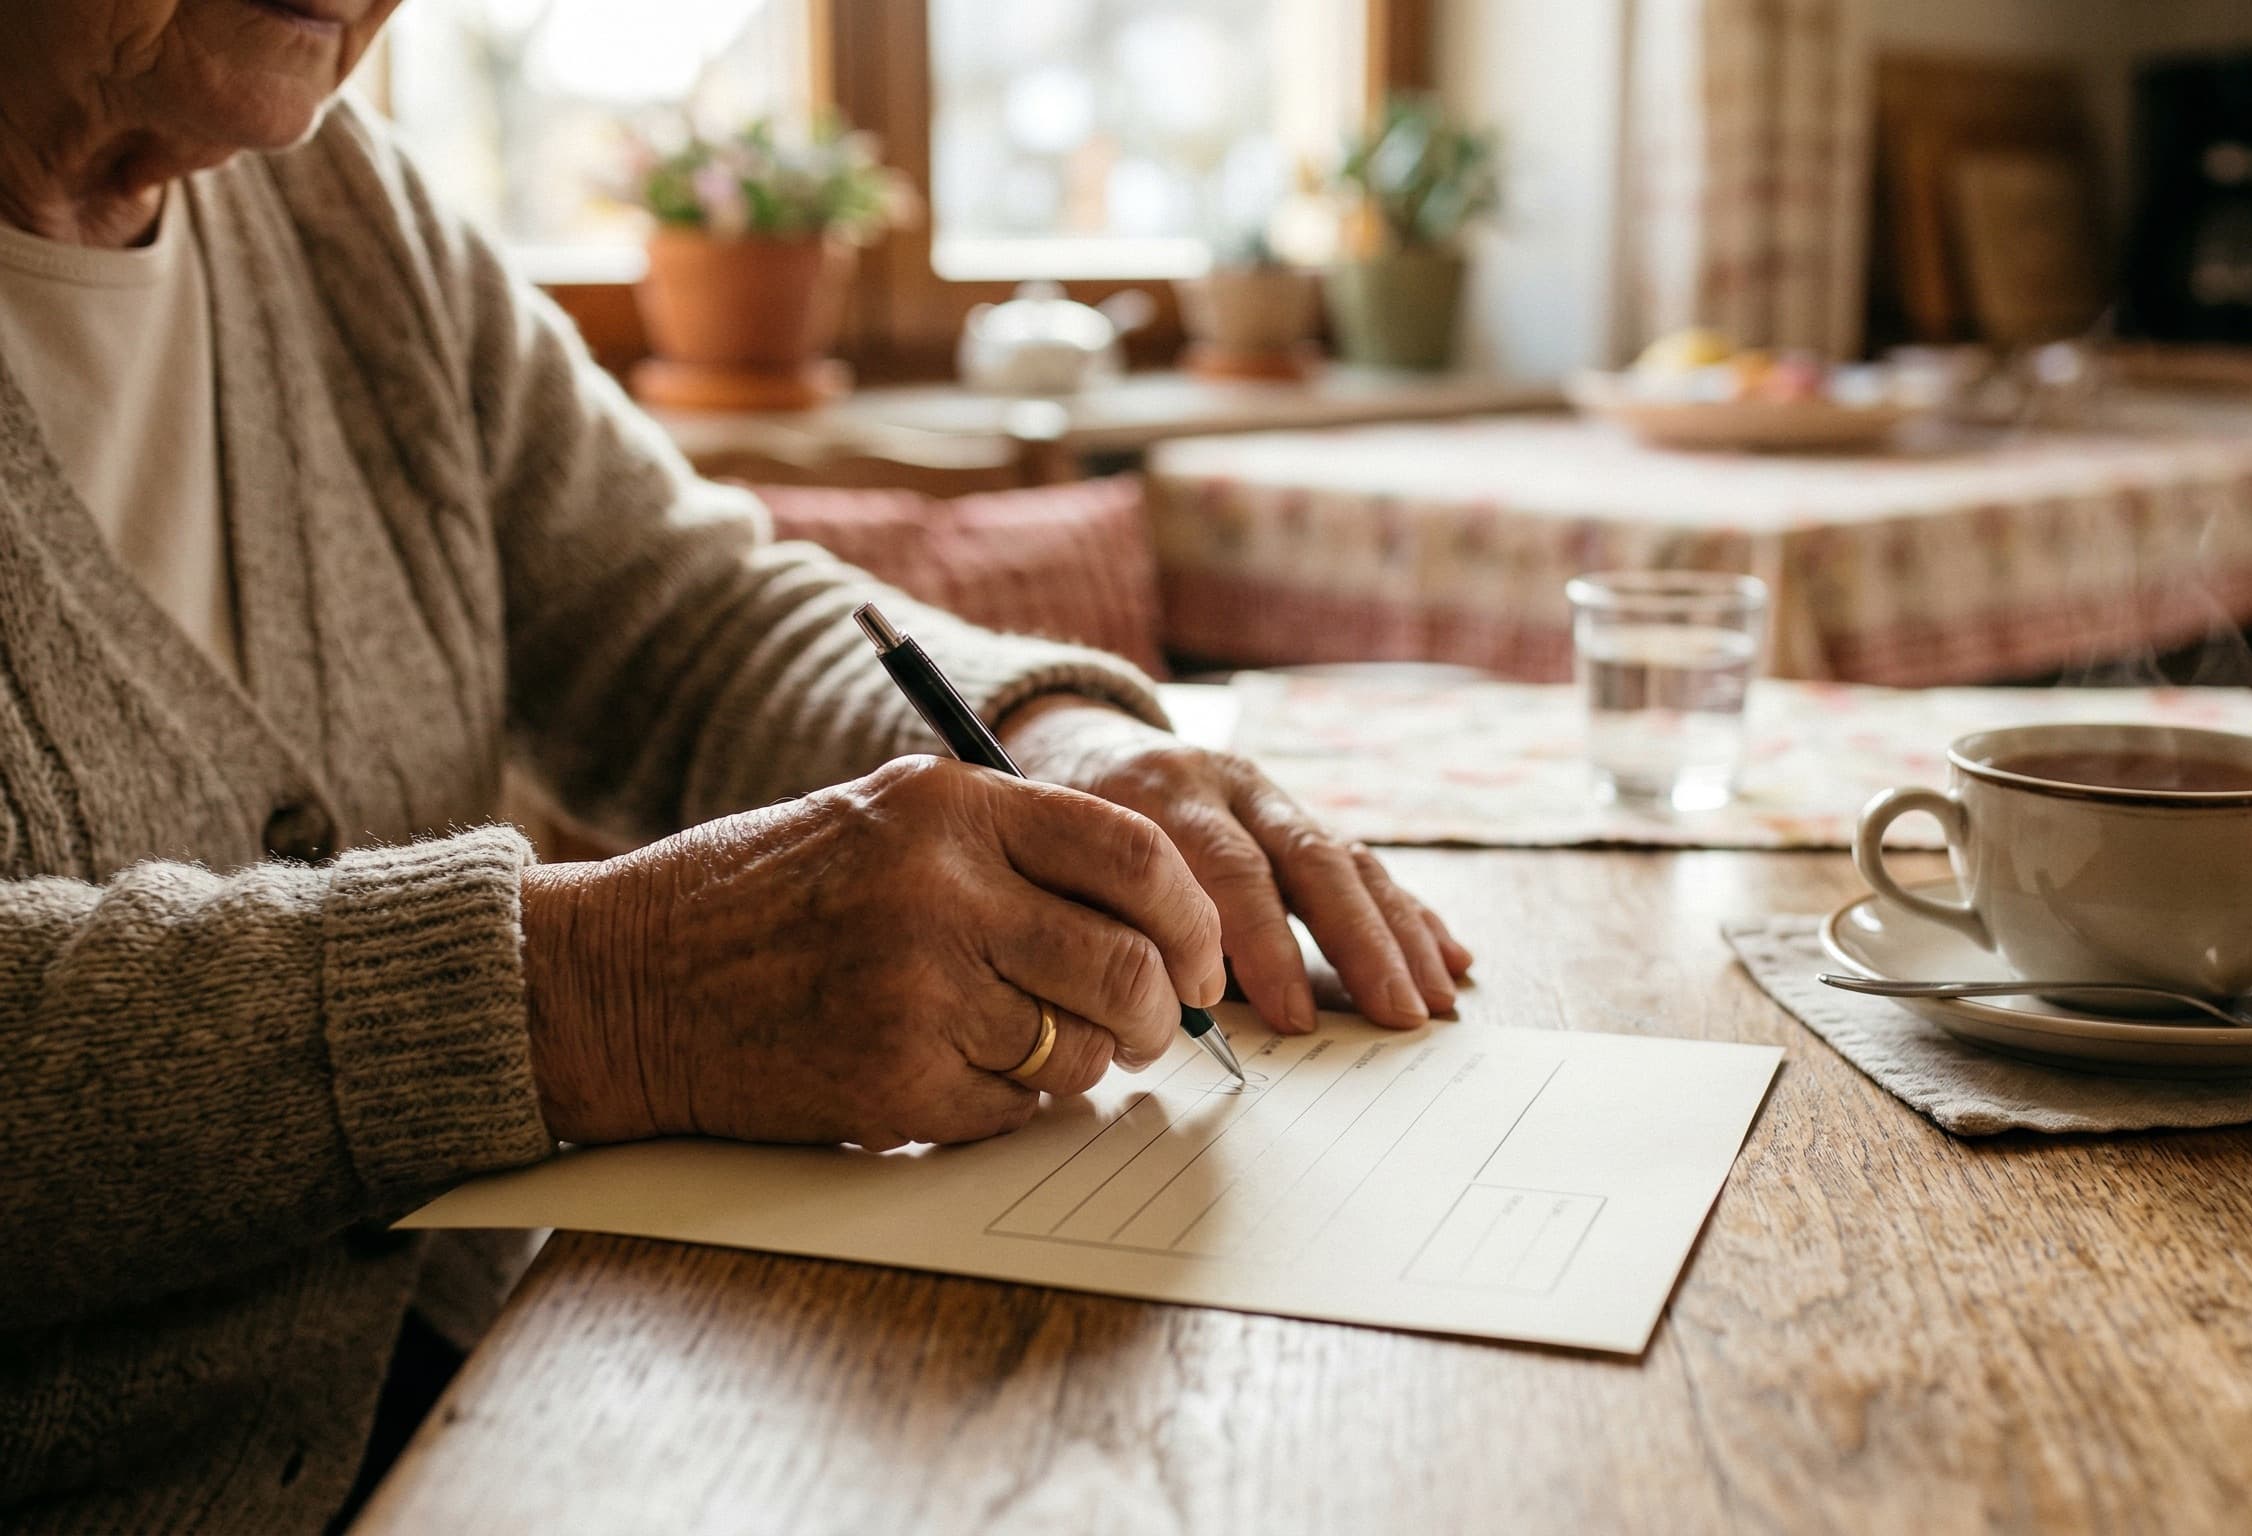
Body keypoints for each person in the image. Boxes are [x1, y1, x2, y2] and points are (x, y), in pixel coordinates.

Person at [0, 2, 1471, 1529]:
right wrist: (596, 999)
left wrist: (1056, 739)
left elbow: (685, 616)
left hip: (499, 1406)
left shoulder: (339, 205)